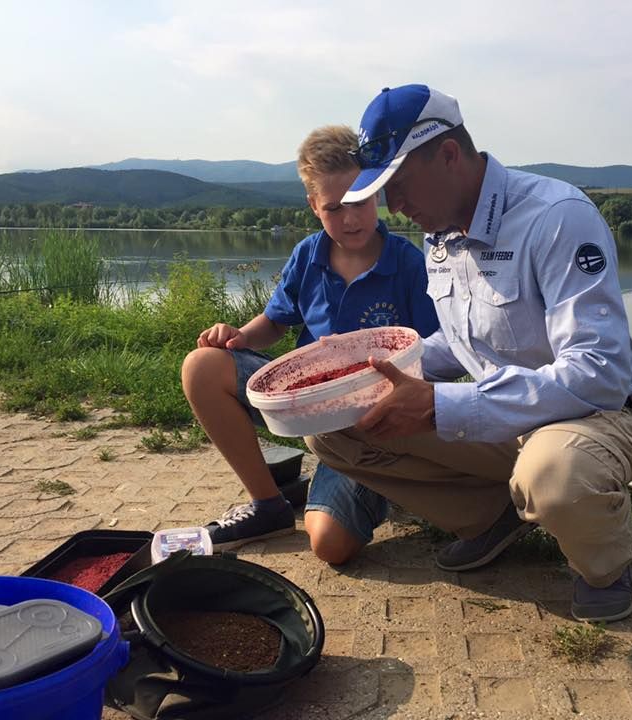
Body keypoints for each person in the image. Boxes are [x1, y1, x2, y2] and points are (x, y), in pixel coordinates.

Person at [306, 85, 632, 622]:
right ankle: (490, 518)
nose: (393, 206)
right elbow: (461, 343)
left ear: (448, 155)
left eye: (398, 185)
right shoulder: (439, 234)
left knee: (555, 472)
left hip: (589, 420)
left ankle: (605, 565)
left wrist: (443, 406)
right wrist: (367, 366)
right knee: (333, 423)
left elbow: (599, 372)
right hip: (503, 423)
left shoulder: (556, 216)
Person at [181, 124, 439, 564]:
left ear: (376, 193)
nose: (351, 218)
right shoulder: (307, 255)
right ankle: (268, 504)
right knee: (202, 365)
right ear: (313, 206)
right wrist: (239, 337)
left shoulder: (410, 265)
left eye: (360, 201)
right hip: (304, 406)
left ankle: (366, 487)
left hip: (370, 429)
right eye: (334, 208)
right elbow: (274, 323)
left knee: (330, 546)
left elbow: (433, 354)